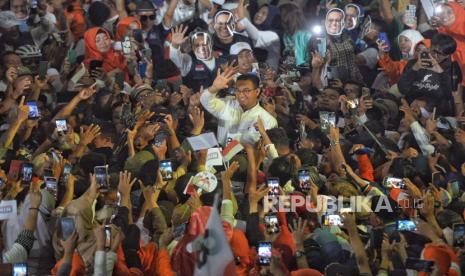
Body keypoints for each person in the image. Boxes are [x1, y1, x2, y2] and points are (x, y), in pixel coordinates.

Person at [200, 70, 277, 145]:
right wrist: (214, 87)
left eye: (246, 91)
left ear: (257, 92)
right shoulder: (226, 106)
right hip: (221, 155)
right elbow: (205, 100)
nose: (241, 95)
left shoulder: (269, 121)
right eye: (237, 90)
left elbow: (269, 151)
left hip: (248, 157)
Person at [169, 25, 227, 91]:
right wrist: (175, 45)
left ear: (211, 44)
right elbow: (175, 58)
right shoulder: (188, 60)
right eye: (197, 45)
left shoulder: (223, 58)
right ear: (192, 48)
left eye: (205, 44)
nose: (202, 48)